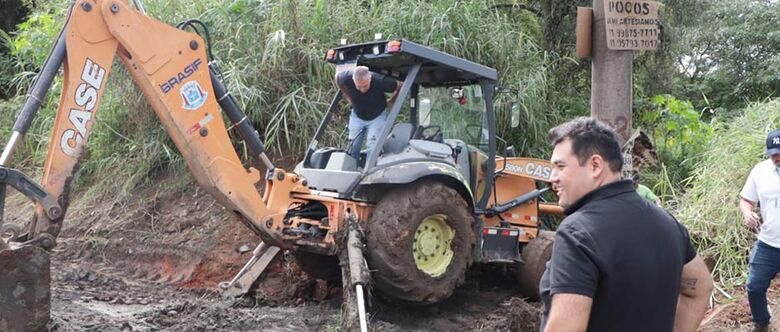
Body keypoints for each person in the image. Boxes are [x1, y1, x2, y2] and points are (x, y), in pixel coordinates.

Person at [540, 117, 713, 332]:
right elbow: (700, 287)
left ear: (595, 165)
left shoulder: (577, 233)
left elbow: (567, 327)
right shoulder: (667, 223)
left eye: (560, 166)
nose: (552, 178)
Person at [740, 129, 780, 332]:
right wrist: (747, 213)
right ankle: (762, 322)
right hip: (769, 243)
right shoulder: (760, 171)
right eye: (773, 153)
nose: (776, 158)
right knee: (755, 286)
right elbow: (746, 200)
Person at [335, 66, 400, 156]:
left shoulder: (380, 80)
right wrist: (347, 96)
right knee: (352, 147)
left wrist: (392, 100)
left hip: (377, 117)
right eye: (359, 86)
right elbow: (337, 78)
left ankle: (369, 169)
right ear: (353, 80)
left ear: (370, 78)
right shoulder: (346, 77)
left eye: (365, 85)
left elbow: (399, 85)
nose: (362, 89)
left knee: (372, 147)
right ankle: (351, 169)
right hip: (357, 116)